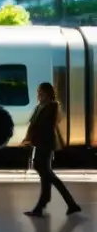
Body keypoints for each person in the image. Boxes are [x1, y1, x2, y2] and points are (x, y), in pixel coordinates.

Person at [22, 82, 82, 217]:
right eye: (38, 92)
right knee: (45, 174)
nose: (38, 95)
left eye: (41, 93)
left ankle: (69, 203)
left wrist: (31, 138)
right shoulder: (41, 106)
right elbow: (33, 124)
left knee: (45, 172)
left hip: (45, 144)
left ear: (48, 93)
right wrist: (28, 137)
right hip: (40, 143)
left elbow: (43, 126)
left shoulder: (52, 107)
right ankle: (43, 204)